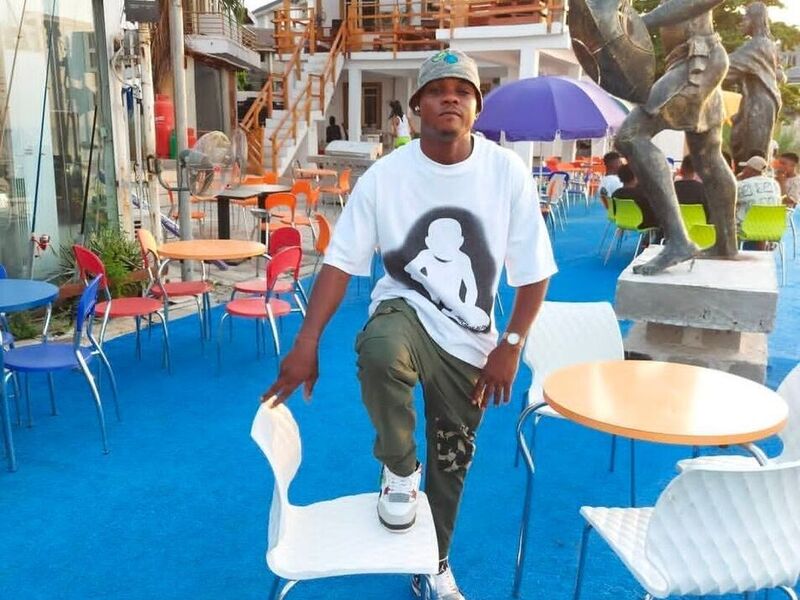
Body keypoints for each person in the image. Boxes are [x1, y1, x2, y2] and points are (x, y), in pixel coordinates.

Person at [262, 49, 556, 600]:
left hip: (469, 341)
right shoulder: (386, 177)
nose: (450, 99)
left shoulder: (505, 173)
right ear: (418, 104)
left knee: (452, 460)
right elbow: (340, 262)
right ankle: (399, 468)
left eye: (463, 91)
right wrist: (306, 341)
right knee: (381, 348)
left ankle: (434, 562)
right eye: (437, 90)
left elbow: (534, 271)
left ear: (477, 107)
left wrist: (511, 344)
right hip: (405, 315)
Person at [736, 155, 782, 231]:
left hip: (748, 229)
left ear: (750, 170)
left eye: (745, 168)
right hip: (773, 228)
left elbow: (729, 202)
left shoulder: (742, 184)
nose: (743, 171)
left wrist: (737, 179)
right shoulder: (775, 183)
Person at [613, 164, 659, 230]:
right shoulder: (642, 195)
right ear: (635, 176)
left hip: (622, 221)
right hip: (643, 224)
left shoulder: (616, 194)